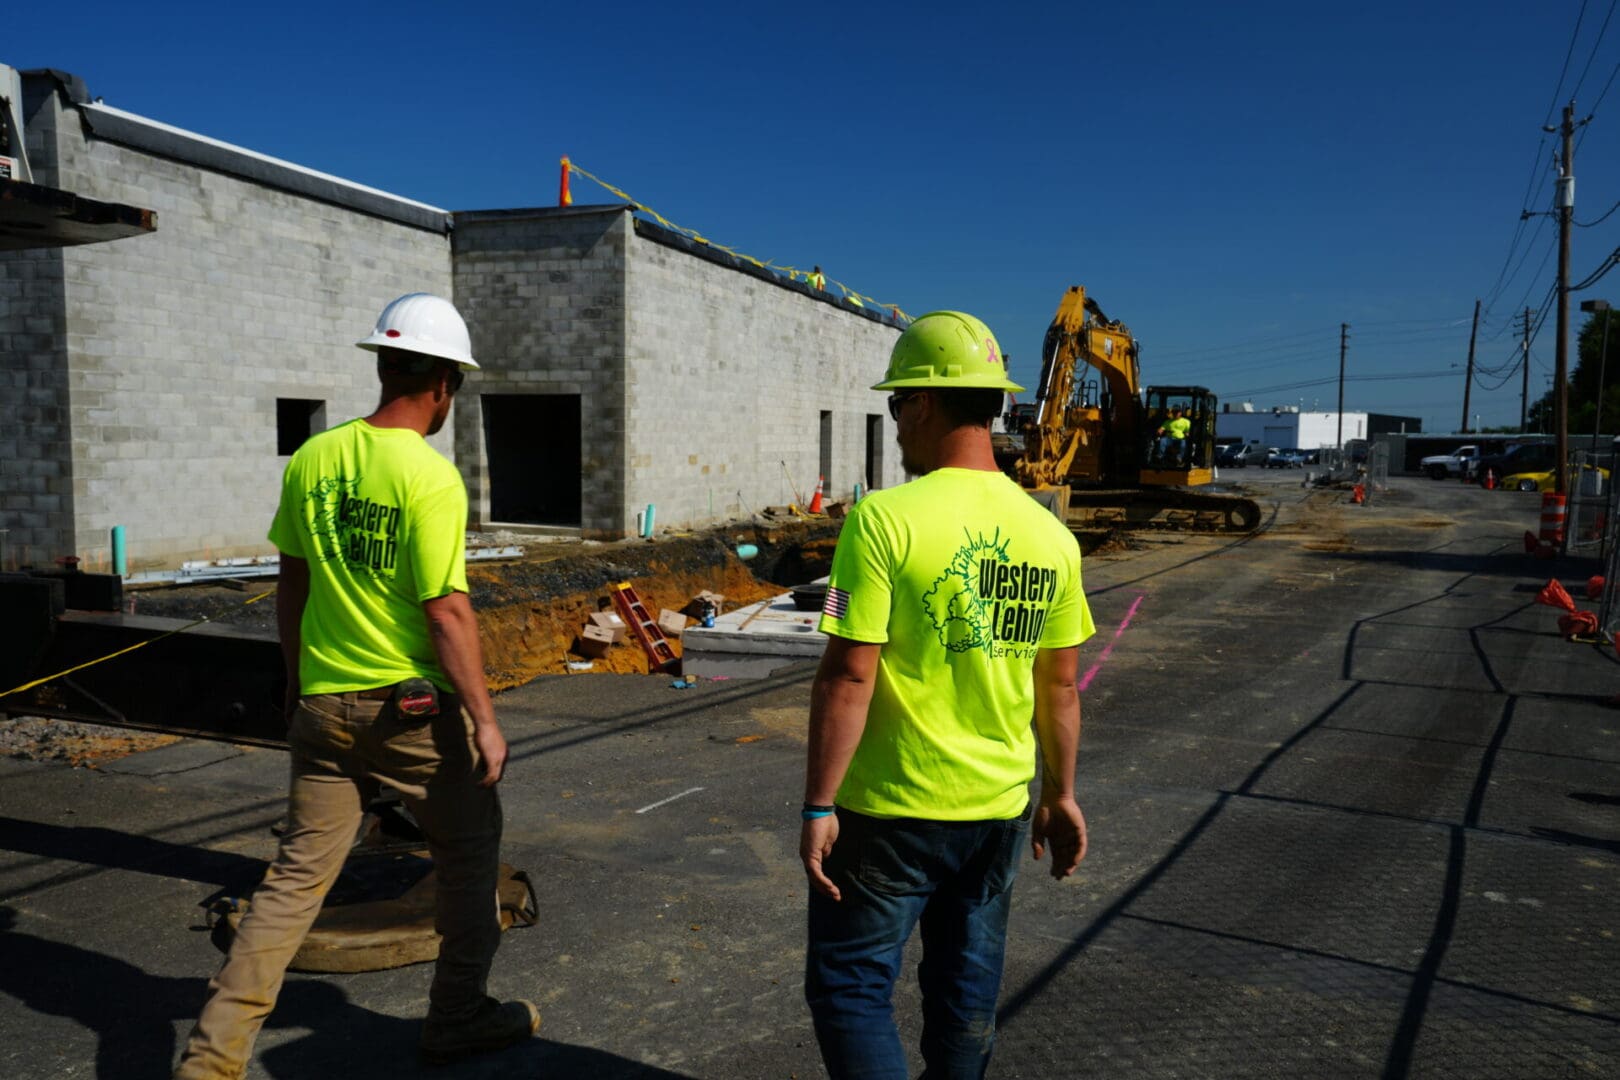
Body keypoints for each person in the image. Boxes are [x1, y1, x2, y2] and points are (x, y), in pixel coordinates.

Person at [174, 293, 536, 1077]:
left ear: (384, 366)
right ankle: (458, 1017)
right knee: (472, 862)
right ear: (445, 384)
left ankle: (210, 1061)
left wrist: (297, 680)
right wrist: (484, 718)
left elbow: (292, 585)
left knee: (296, 881)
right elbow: (447, 612)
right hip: (408, 712)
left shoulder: (315, 458)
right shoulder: (430, 480)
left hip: (322, 703)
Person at [800, 310, 1095, 1079]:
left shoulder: (883, 519)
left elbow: (849, 672)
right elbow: (1059, 686)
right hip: (995, 812)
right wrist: (1060, 795)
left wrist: (818, 806)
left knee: (851, 988)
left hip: (891, 809)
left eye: (898, 404)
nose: (895, 420)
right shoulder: (1050, 538)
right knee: (965, 997)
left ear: (925, 404)